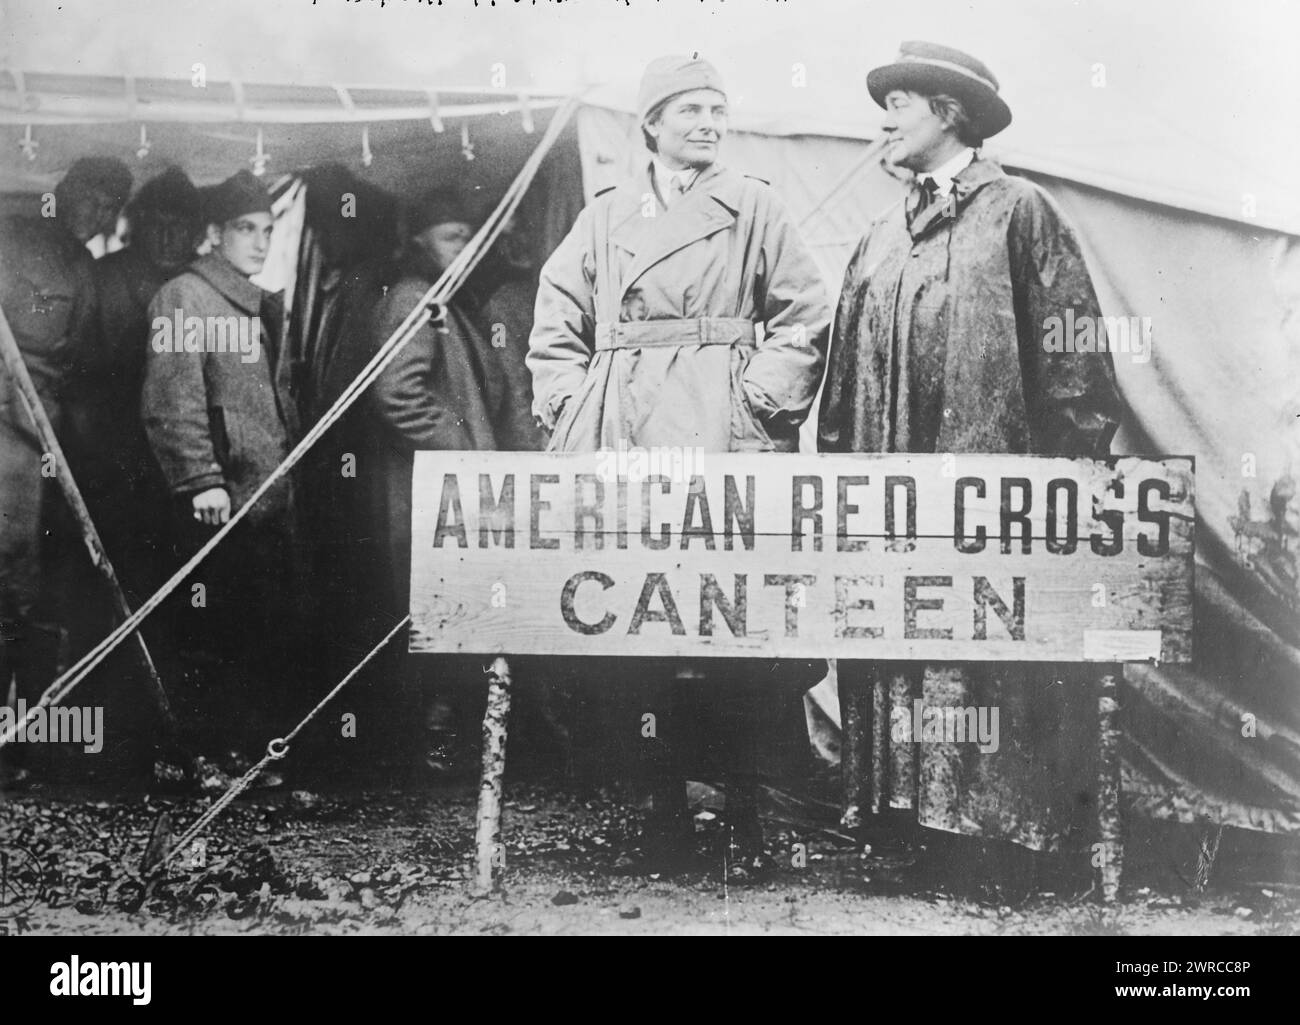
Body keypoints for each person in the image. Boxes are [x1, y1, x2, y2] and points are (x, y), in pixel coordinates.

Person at [817, 41, 1126, 893]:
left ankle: (1001, 840)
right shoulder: (881, 232)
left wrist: (1069, 479)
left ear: (949, 113)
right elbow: (843, 374)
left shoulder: (1020, 211)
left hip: (994, 497)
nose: (884, 119)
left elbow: (1074, 354)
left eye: (901, 103)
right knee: (901, 629)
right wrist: (842, 468)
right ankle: (911, 824)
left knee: (986, 650)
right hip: (889, 497)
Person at [528, 55, 831, 878]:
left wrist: (755, 401)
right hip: (626, 437)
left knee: (737, 617)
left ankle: (751, 815)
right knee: (638, 616)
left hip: (724, 438)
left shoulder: (754, 208)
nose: (706, 122)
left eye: (716, 108)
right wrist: (569, 403)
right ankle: (657, 808)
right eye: (688, 108)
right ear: (649, 125)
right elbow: (556, 321)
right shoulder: (604, 216)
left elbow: (805, 314)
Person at [140, 170, 301, 784]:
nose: (259, 243)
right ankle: (198, 757)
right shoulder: (185, 296)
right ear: (213, 234)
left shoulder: (256, 303)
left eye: (267, 230)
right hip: (215, 502)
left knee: (252, 631)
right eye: (245, 229)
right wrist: (200, 477)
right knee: (206, 629)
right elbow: (168, 399)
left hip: (260, 499)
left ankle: (245, 754)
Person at [362, 188, 502, 777]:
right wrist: (465, 453)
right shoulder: (415, 299)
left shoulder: (447, 301)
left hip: (447, 489)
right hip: (425, 490)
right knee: (433, 617)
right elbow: (398, 395)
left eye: (470, 236)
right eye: (451, 237)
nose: (464, 248)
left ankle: (444, 752)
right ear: (418, 244)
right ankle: (433, 757)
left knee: (449, 615)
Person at [0, 158, 128, 783]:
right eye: (91, 198)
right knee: (7, 583)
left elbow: (88, 366)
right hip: (7, 442)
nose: (98, 214)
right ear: (61, 191)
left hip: (49, 445)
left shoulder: (87, 272)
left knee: (37, 593)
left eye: (111, 206)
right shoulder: (10, 239)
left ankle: (21, 743)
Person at [78, 166, 204, 600]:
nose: (170, 239)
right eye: (159, 227)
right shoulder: (103, 277)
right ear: (138, 227)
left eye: (182, 227)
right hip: (114, 457)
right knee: (123, 577)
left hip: (181, 462)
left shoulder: (203, 288)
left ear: (199, 232)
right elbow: (77, 376)